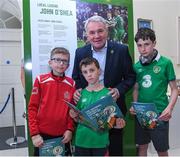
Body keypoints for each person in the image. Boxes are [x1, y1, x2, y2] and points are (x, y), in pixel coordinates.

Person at [72, 15, 136, 156]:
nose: (96, 36)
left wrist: (119, 90)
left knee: (114, 150)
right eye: (92, 32)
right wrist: (77, 90)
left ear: (107, 31)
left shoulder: (121, 50)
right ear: (87, 34)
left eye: (100, 31)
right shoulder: (80, 52)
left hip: (113, 110)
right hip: (88, 113)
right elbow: (76, 77)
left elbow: (131, 77)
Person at [130, 27, 178, 156]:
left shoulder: (165, 63)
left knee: (161, 150)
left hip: (159, 113)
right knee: (142, 147)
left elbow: (174, 89)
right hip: (141, 114)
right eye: (139, 45)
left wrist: (170, 108)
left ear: (154, 43)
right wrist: (135, 104)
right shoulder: (136, 66)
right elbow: (136, 88)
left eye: (147, 44)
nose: (143, 49)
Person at [70, 57, 126, 156]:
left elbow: (112, 119)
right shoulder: (80, 94)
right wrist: (73, 115)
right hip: (81, 141)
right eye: (85, 72)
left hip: (100, 143)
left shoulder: (109, 94)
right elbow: (77, 119)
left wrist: (117, 124)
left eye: (92, 70)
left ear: (99, 71)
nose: (89, 74)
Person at [28, 47, 75, 156]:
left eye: (64, 61)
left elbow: (71, 110)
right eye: (57, 60)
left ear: (68, 65)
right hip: (42, 136)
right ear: (50, 62)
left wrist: (69, 129)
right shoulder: (40, 80)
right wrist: (34, 134)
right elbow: (32, 108)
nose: (61, 63)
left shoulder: (71, 83)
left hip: (63, 136)